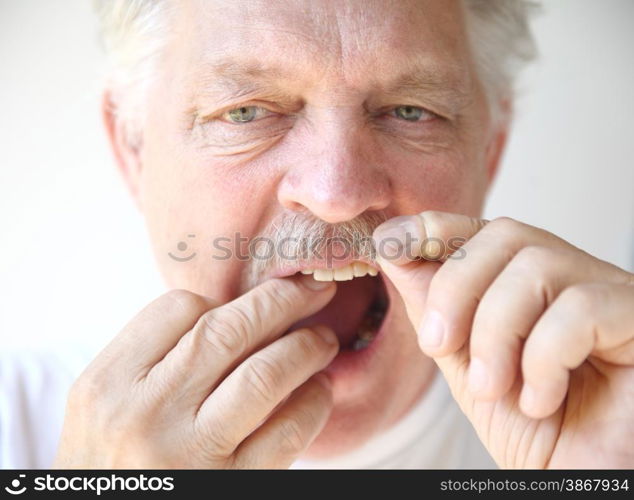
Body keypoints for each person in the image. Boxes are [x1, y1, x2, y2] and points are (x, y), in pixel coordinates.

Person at [3, 0, 633, 469]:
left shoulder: (597, 427)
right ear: (134, 149)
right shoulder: (15, 428)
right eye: (246, 111)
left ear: (489, 151)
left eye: (411, 111)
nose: (337, 195)